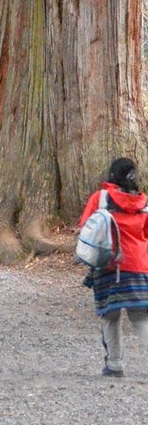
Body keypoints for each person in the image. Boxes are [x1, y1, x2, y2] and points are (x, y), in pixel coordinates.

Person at [79, 157, 148, 376]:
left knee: (110, 315)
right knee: (140, 317)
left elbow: (86, 227)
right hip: (139, 265)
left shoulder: (101, 198)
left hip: (108, 264)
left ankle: (115, 364)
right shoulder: (144, 203)